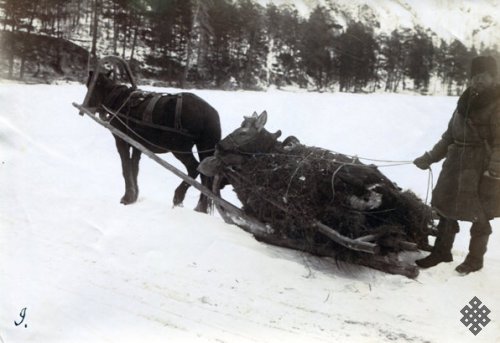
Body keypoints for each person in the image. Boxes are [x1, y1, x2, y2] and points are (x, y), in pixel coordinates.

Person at [413, 56, 500, 274]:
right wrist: (430, 157)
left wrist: (495, 170)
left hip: (482, 167)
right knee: (445, 208)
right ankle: (442, 252)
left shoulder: (497, 104)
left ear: (493, 77)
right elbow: (449, 136)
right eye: (475, 77)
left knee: (480, 214)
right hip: (455, 165)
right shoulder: (464, 102)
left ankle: (475, 259)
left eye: (484, 76)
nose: (478, 81)